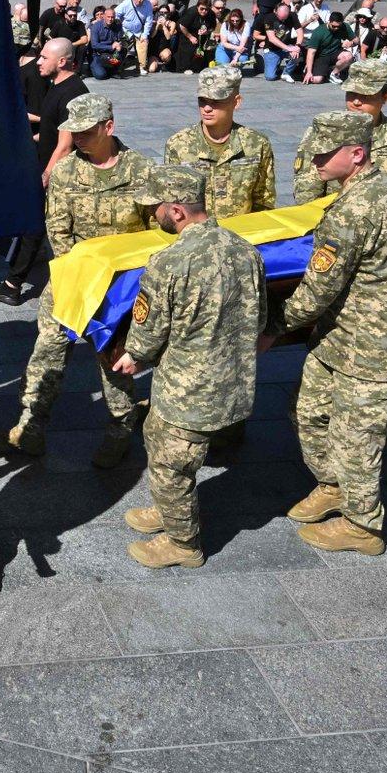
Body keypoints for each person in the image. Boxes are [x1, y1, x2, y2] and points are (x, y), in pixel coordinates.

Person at [265, 111, 387, 555]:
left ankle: (363, 525)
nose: (314, 160)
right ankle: (332, 485)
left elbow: (318, 288)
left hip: (376, 345)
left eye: (324, 153)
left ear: (357, 155)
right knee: (310, 412)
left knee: (357, 437)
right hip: (342, 335)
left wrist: (274, 328)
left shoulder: (351, 211)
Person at [111, 166, 264, 569]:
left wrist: (133, 355)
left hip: (187, 388)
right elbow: (260, 316)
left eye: (156, 208)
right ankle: (169, 510)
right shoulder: (245, 249)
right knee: (167, 447)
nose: (152, 215)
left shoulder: (168, 261)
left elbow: (148, 329)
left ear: (176, 211)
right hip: (232, 382)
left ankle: (182, 542)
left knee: (170, 462)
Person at [0, 94, 158, 467]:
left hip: (120, 289)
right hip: (73, 279)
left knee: (113, 360)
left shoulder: (143, 171)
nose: (79, 139)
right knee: (47, 354)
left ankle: (120, 430)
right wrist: (82, 273)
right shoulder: (67, 171)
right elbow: (58, 230)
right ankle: (30, 428)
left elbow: (152, 232)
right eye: (75, 132)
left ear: (108, 127)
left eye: (86, 132)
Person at [0, 37, 87, 305]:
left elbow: (64, 145)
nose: (37, 62)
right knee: (36, 227)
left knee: (35, 227)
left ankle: (13, 284)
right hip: (44, 165)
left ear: (62, 62)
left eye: (43, 58)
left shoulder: (73, 93)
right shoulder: (56, 87)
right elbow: (50, 132)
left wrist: (45, 176)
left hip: (58, 174)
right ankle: (15, 280)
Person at [294, 59, 387, 204]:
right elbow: (307, 195)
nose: (356, 102)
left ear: (385, 98)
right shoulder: (325, 131)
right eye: (351, 94)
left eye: (366, 96)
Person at [162, 65, 274, 217]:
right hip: (197, 237)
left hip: (242, 235)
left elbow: (264, 201)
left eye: (216, 101)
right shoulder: (179, 144)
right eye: (202, 100)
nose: (207, 108)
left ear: (236, 102)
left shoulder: (256, 144)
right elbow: (172, 203)